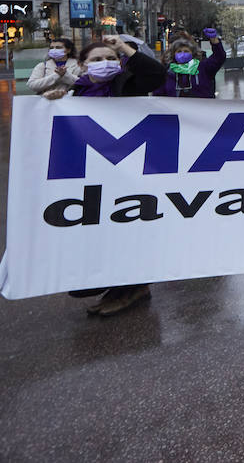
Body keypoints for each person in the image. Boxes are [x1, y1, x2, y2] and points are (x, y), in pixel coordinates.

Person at [71, 35, 167, 316]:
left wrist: (123, 47)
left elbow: (156, 74)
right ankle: (118, 286)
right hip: (95, 173)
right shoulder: (76, 91)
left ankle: (133, 287)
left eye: (111, 58)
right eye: (97, 60)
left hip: (131, 170)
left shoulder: (126, 85)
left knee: (129, 228)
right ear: (82, 65)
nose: (105, 64)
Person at [153, 28, 227, 98]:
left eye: (186, 51)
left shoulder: (203, 68)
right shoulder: (167, 73)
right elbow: (158, 95)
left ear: (192, 53)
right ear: (174, 54)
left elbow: (219, 57)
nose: (182, 54)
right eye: (179, 51)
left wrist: (215, 41)